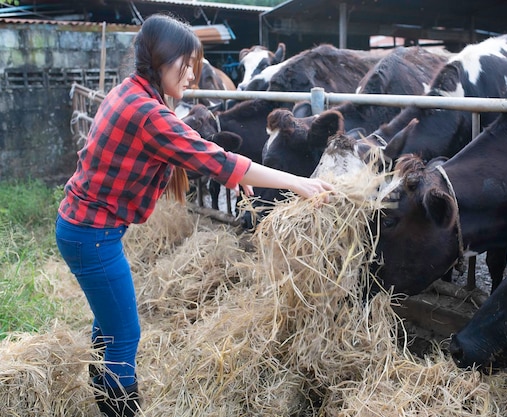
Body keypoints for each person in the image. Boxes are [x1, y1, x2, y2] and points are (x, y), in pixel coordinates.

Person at [55, 13, 333, 417]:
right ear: (162, 59)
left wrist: (235, 174)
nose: (192, 75)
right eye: (187, 64)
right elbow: (214, 158)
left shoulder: (131, 93)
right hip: (92, 234)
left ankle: (101, 388)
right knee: (125, 333)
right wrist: (299, 183)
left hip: (84, 228)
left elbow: (194, 156)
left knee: (109, 322)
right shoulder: (149, 113)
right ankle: (120, 408)